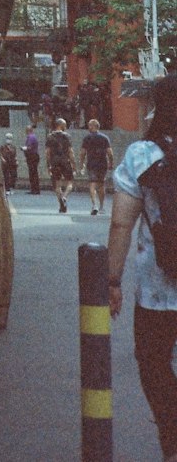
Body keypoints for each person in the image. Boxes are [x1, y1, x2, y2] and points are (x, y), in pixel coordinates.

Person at [108, 74, 177, 462]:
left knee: (154, 365)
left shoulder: (142, 155)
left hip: (157, 290)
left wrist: (112, 280)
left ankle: (172, 446)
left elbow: (121, 224)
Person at [80, 117, 114, 216]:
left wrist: (81, 164)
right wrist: (111, 163)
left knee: (92, 184)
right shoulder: (104, 138)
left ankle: (94, 205)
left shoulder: (87, 138)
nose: (88, 127)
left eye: (89, 125)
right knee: (101, 184)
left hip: (91, 163)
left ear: (92, 126)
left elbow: (82, 153)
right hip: (102, 163)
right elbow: (110, 152)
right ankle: (102, 206)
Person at [46, 117, 75, 213]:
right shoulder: (67, 136)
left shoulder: (50, 136)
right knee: (70, 183)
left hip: (54, 162)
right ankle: (64, 197)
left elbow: (47, 153)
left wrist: (48, 165)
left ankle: (61, 205)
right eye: (65, 125)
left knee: (57, 184)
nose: (66, 126)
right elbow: (70, 151)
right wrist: (73, 163)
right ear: (61, 125)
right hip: (65, 161)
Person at [23, 124, 42, 195]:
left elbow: (29, 147)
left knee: (32, 173)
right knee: (34, 173)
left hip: (32, 156)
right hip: (34, 156)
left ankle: (34, 189)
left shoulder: (30, 137)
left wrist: (23, 148)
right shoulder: (33, 136)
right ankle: (35, 189)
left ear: (28, 130)